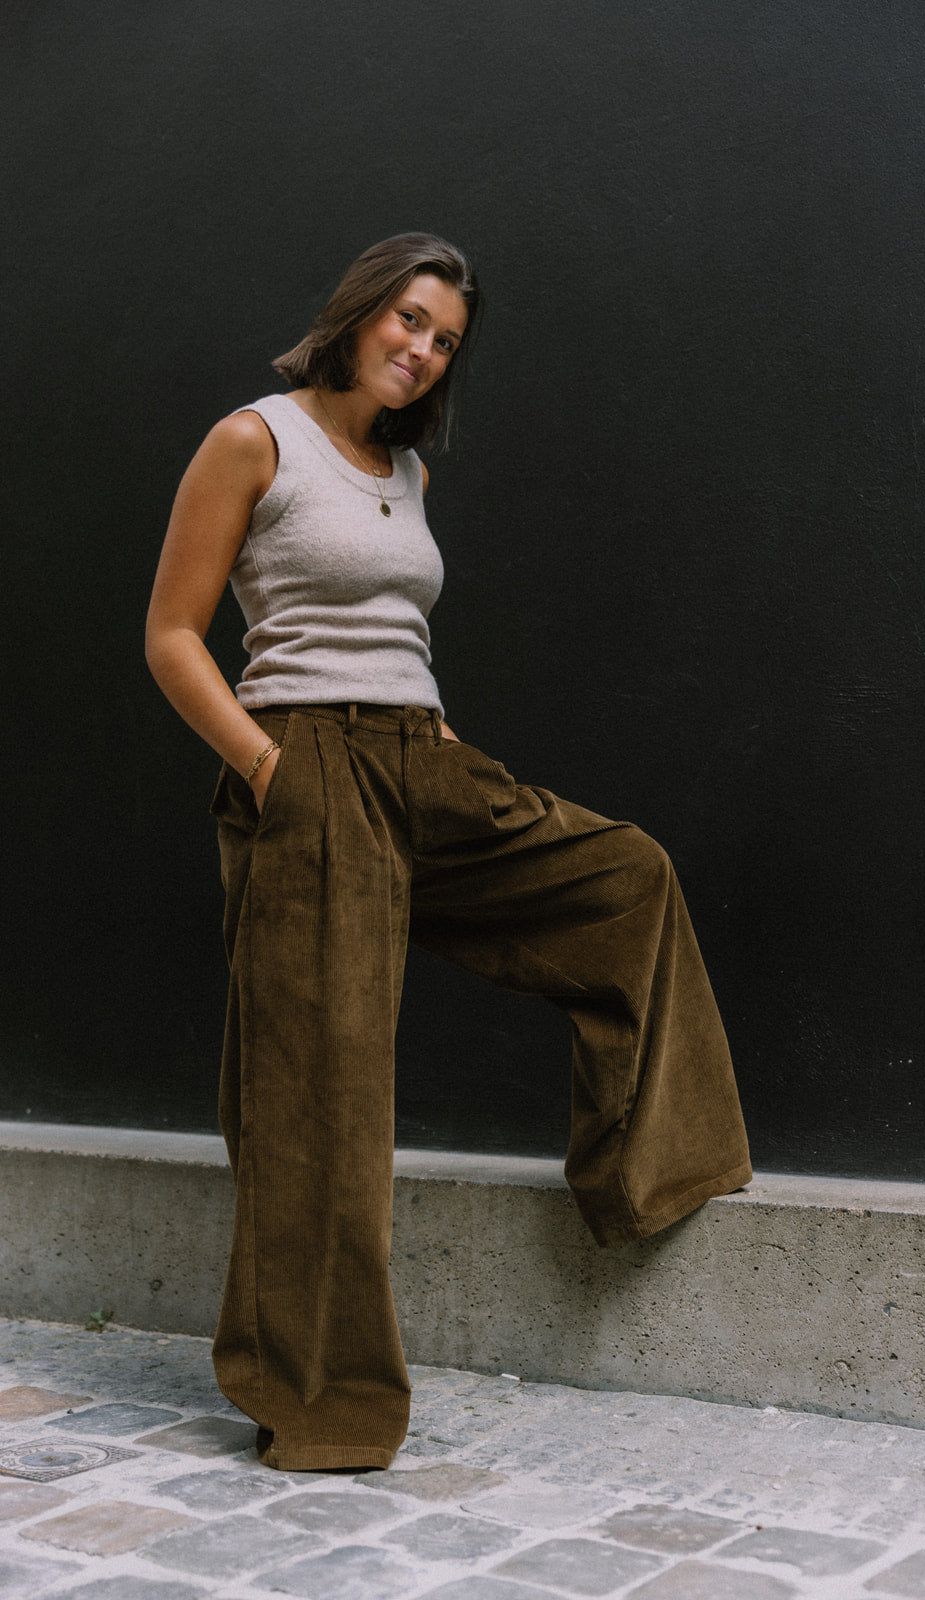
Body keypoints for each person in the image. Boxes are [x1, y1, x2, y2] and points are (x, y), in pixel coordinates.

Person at [145, 233, 752, 1472]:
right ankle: (318, 1403)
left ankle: (645, 1174)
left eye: (445, 342)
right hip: (306, 763)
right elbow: (170, 636)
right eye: (409, 320)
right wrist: (267, 768)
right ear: (360, 310)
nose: (421, 351)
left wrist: (441, 744)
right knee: (321, 1093)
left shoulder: (407, 470)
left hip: (424, 759)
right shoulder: (255, 439)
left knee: (625, 877)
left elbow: (390, 630)